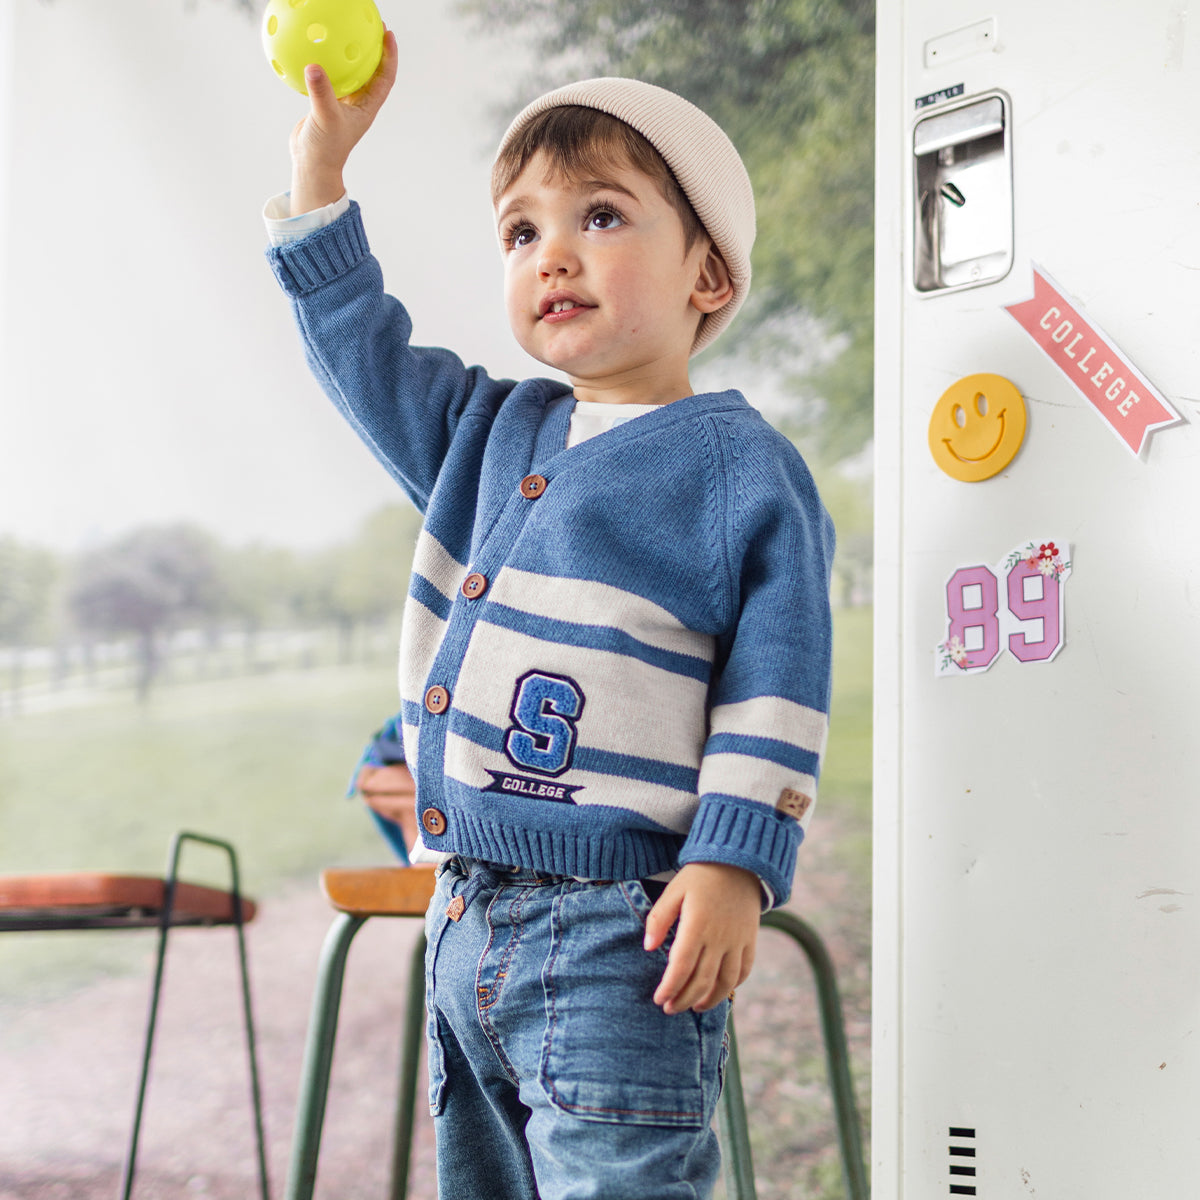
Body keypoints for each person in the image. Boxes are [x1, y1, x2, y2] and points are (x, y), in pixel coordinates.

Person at [264, 34, 835, 1200]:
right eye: (522, 233)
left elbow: (777, 682)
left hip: (619, 938)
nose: (553, 254)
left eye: (602, 216)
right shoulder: (482, 436)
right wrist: (321, 176)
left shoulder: (740, 471)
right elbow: (361, 351)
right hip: (464, 914)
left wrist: (735, 859)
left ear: (708, 276)